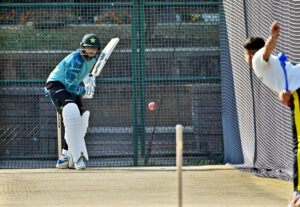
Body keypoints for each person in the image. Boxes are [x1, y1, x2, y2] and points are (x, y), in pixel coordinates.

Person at [243, 21, 300, 203]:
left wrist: (273, 37)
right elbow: (281, 84)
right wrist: (282, 96)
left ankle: (298, 194)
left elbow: (266, 50)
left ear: (249, 55)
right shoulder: (269, 66)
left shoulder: (259, 59)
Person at [45, 33, 101, 170]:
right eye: (88, 48)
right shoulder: (76, 60)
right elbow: (69, 85)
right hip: (56, 85)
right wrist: (84, 91)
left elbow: (86, 74)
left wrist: (89, 81)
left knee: (79, 120)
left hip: (71, 88)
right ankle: (72, 158)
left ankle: (65, 157)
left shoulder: (93, 59)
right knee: (71, 112)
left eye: (94, 48)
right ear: (82, 47)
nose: (91, 51)